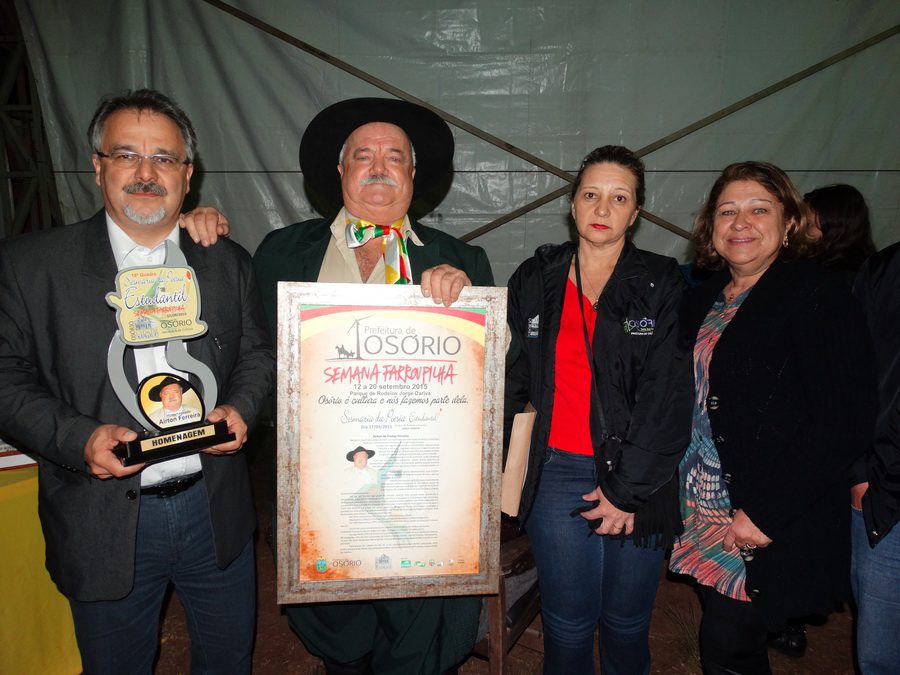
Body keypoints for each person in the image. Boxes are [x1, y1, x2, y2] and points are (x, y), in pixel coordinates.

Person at [0, 88, 275, 674]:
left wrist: (242, 408)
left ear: (187, 175)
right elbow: (4, 377)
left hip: (213, 507)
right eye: (127, 155)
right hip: (103, 517)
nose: (146, 173)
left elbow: (256, 354)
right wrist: (79, 438)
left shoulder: (226, 262)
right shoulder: (31, 266)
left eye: (164, 158)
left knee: (228, 660)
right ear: (98, 166)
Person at [253, 97, 494, 675]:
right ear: (341, 170)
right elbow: (248, 350)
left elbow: (497, 375)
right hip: (319, 494)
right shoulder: (280, 254)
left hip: (418, 493)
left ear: (414, 174)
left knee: (415, 644)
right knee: (338, 639)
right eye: (363, 155)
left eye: (395, 156)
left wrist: (473, 312)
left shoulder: (461, 260)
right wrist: (193, 228)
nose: (379, 167)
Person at [668, 161, 876, 674]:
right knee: (729, 636)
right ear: (710, 227)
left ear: (789, 223)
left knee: (729, 642)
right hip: (701, 501)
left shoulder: (817, 295)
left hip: (766, 509)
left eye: (759, 210)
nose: (741, 222)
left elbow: (843, 420)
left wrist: (765, 511)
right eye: (727, 211)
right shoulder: (701, 298)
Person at [504, 145, 694, 674]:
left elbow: (667, 394)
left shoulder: (660, 281)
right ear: (572, 205)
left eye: (619, 198)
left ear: (636, 213)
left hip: (642, 475)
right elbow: (511, 374)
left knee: (627, 622)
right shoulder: (536, 277)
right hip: (557, 471)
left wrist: (627, 490)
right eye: (590, 194)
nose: (602, 208)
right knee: (567, 622)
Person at [768, 182, 876, 657]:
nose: (800, 227)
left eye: (808, 219)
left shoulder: (849, 282)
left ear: (832, 223)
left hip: (832, 429)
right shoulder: (803, 273)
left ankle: (793, 618)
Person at [851, 241, 900, 674]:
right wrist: (858, 472)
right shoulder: (886, 269)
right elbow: (850, 374)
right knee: (880, 655)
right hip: (885, 494)